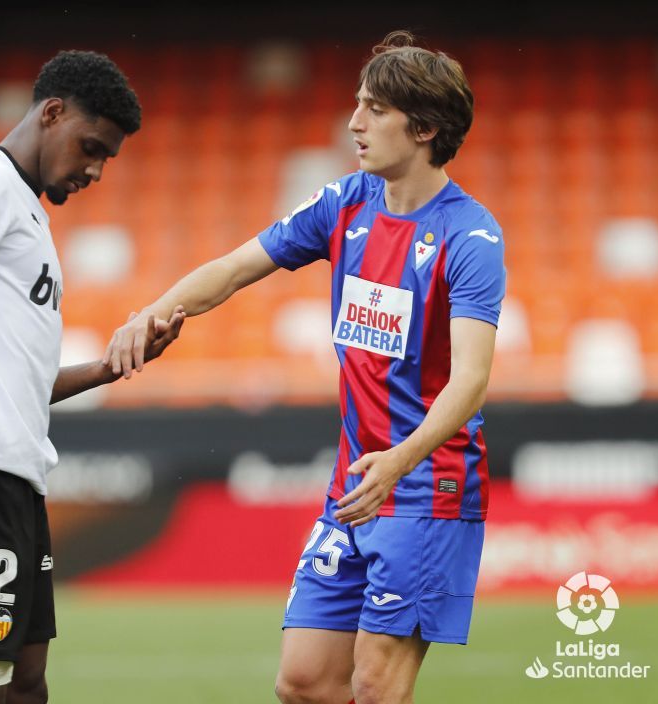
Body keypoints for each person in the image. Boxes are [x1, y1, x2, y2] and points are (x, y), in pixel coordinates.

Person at [104, 31, 505, 704]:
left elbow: (471, 379)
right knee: (304, 682)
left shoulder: (471, 237)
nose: (354, 122)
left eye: (375, 109)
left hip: (425, 486)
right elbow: (235, 267)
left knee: (376, 687)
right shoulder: (344, 202)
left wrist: (398, 462)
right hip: (355, 484)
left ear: (425, 127)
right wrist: (151, 312)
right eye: (358, 103)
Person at [0, 50, 184, 704]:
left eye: (107, 158)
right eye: (91, 147)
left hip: (16, 477)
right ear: (52, 113)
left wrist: (109, 367)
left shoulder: (29, 214)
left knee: (25, 683)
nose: (95, 170)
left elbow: (23, 383)